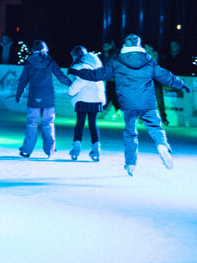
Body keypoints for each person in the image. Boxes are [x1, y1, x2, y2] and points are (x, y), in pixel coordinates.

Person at [68, 34, 191, 176]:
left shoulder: (117, 61)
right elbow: (165, 75)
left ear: (125, 46)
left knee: (130, 133)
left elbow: (97, 74)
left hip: (128, 103)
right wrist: (181, 84)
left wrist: (77, 71)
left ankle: (131, 163)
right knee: (156, 127)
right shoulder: (148, 61)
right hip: (147, 102)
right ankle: (162, 145)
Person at [15, 40, 72, 158]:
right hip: (48, 97)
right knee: (48, 123)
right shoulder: (50, 60)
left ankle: (26, 150)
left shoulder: (29, 62)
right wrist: (71, 84)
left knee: (32, 124)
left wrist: (19, 95)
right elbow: (60, 76)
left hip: (34, 96)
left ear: (33, 49)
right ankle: (50, 150)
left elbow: (23, 80)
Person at [66, 46, 105, 162]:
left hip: (83, 99)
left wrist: (70, 91)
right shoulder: (96, 65)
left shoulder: (81, 66)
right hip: (96, 98)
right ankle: (96, 148)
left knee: (80, 123)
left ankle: (76, 148)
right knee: (93, 124)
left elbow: (81, 81)